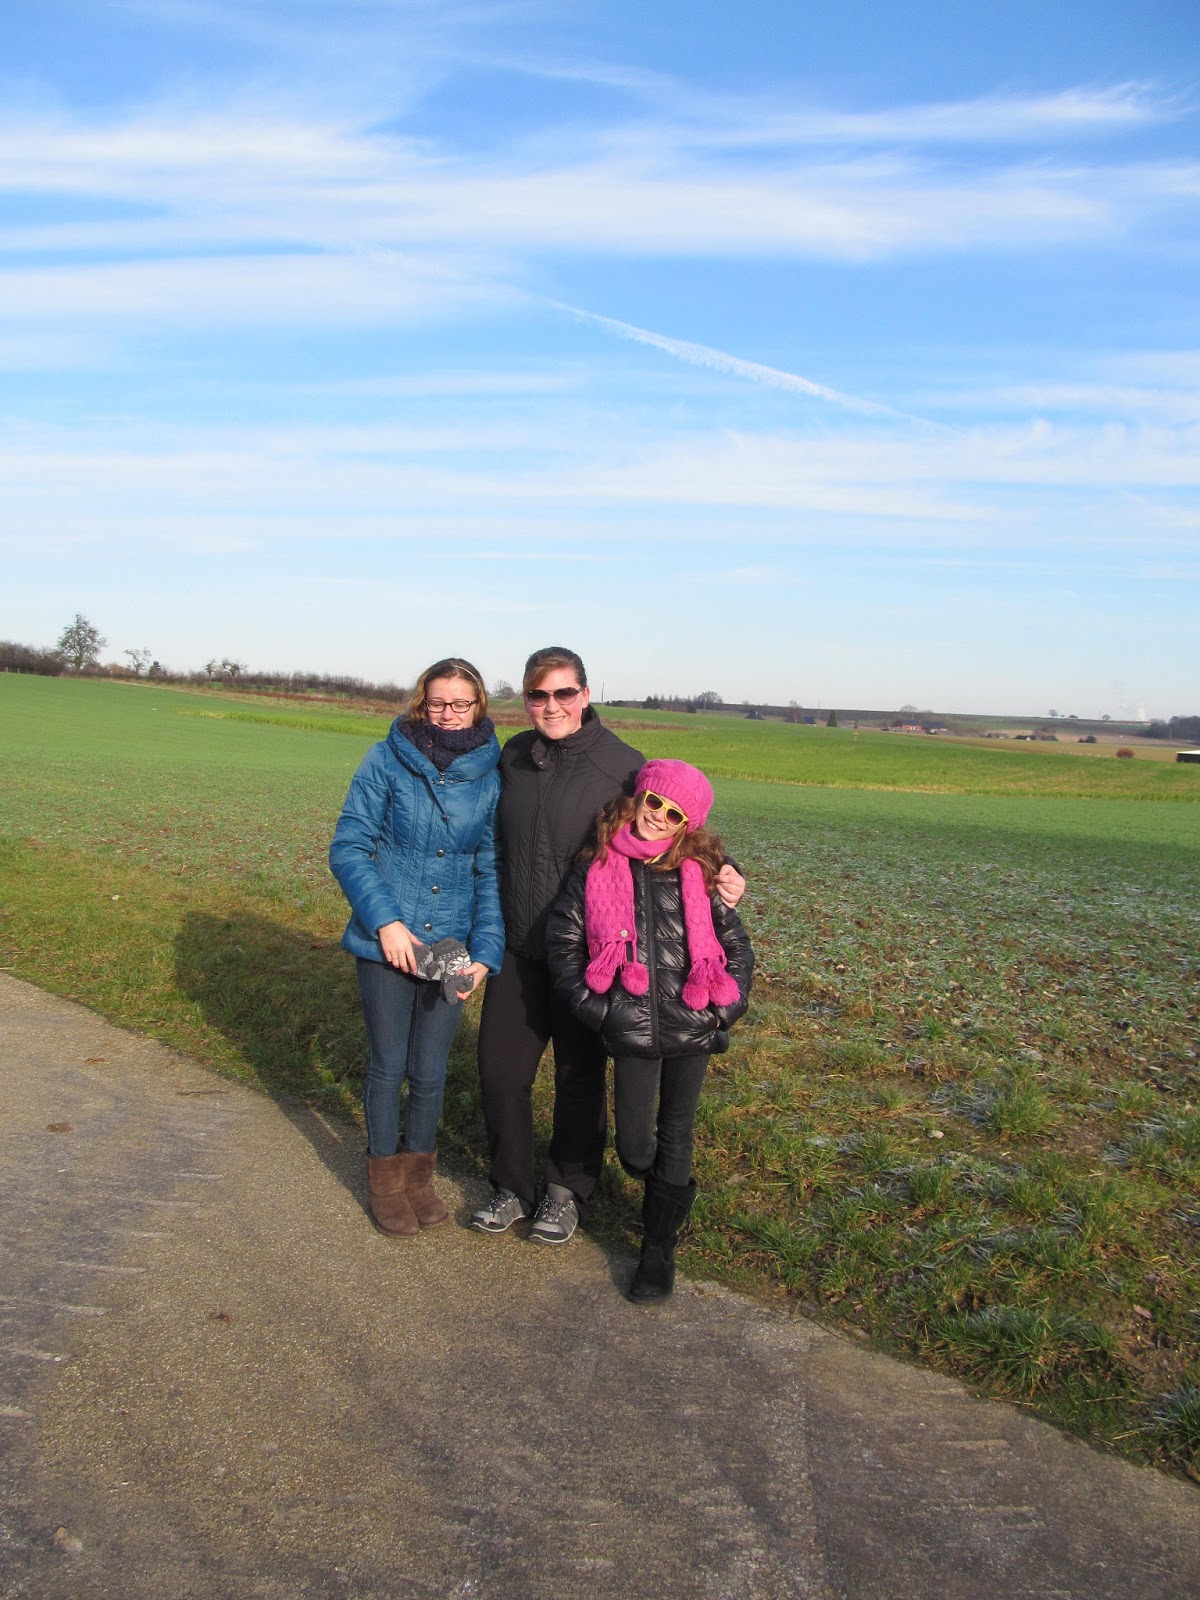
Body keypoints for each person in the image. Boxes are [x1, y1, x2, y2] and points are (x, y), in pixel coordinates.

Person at [470, 646, 745, 1245]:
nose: (552, 706)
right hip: (519, 945)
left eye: (564, 693)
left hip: (593, 954)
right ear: (526, 699)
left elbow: (674, 829)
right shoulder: (512, 757)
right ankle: (511, 1186)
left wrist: (729, 872)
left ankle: (565, 1192)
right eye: (538, 695)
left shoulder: (622, 765)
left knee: (580, 1080)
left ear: (586, 695)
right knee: (500, 1074)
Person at [545, 759, 753, 1301]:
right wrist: (602, 1012)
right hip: (632, 1027)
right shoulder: (597, 862)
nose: (659, 816)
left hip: (694, 1024)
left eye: (674, 812)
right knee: (635, 1146)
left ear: (688, 823)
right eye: (654, 802)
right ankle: (665, 1186)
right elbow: (563, 943)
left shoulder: (701, 873)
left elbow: (736, 946)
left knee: (677, 1133)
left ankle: (658, 1250)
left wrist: (723, 1012)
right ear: (638, 799)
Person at [329, 658, 503, 1237]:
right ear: (421, 703)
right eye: (437, 703)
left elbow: (490, 870)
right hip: (388, 940)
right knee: (388, 1065)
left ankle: (419, 1178)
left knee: (429, 1071)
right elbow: (349, 847)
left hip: (452, 945)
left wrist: (485, 953)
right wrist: (386, 923)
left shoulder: (492, 776)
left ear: (478, 706)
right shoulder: (385, 759)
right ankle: (384, 1181)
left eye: (460, 704)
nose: (448, 714)